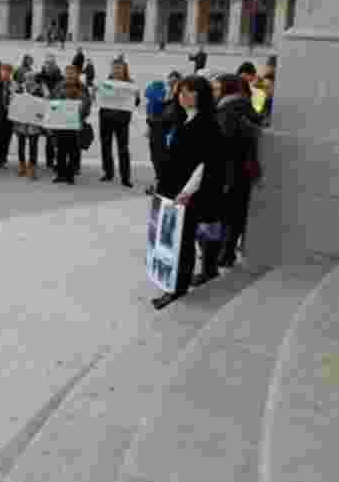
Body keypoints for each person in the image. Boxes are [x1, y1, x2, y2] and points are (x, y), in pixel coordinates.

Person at [151, 75, 226, 310]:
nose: (183, 95)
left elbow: (206, 164)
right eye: (181, 91)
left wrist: (186, 191)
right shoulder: (185, 117)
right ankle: (175, 283)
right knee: (176, 240)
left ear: (201, 95)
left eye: (190, 91)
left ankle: (177, 288)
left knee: (182, 243)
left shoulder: (207, 123)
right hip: (173, 188)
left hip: (187, 193)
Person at [212, 74, 261, 268]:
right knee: (235, 213)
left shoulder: (227, 110)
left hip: (229, 169)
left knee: (226, 214)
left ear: (226, 89)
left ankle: (223, 253)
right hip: (242, 170)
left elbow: (223, 143)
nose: (214, 92)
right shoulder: (244, 106)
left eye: (217, 88)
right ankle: (227, 252)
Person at [99, 60, 141, 188]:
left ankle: (125, 177)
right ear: (111, 69)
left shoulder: (130, 84)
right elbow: (100, 99)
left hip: (122, 120)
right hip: (106, 118)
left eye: (119, 68)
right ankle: (108, 172)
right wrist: (97, 91)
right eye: (115, 68)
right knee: (106, 146)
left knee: (123, 148)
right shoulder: (107, 83)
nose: (117, 70)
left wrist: (137, 96)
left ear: (124, 69)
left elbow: (135, 103)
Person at [51, 64, 91, 184]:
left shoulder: (82, 87)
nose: (69, 75)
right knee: (61, 149)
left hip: (75, 123)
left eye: (72, 73)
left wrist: (79, 100)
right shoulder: (59, 86)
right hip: (61, 124)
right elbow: (51, 100)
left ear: (77, 74)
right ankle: (60, 174)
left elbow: (87, 103)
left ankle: (70, 175)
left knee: (74, 150)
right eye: (67, 73)